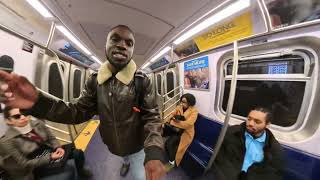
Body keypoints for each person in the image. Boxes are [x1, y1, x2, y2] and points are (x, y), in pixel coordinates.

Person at [0, 24, 165, 180]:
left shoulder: (141, 81)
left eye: (129, 43)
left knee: (139, 176)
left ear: (132, 50)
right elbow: (76, 112)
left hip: (138, 145)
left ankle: (130, 161)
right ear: (105, 45)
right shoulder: (95, 82)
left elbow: (152, 117)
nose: (123, 45)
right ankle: (125, 162)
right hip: (113, 145)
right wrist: (37, 102)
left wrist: (154, 151)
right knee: (124, 156)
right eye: (115, 39)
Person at [198, 107, 284, 180]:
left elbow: (272, 175)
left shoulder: (274, 149)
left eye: (257, 122)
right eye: (249, 119)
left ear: (267, 125)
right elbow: (219, 159)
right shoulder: (231, 132)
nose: (250, 124)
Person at [0, 107, 83, 180]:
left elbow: (51, 138)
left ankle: (81, 172)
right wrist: (50, 157)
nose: (23, 117)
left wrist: (57, 147)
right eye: (17, 116)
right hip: (33, 166)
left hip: (48, 151)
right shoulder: (7, 141)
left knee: (78, 153)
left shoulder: (38, 123)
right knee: (67, 171)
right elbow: (24, 164)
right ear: (9, 120)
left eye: (25, 113)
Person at [164, 93, 198, 166]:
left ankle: (172, 162)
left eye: (184, 102)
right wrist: (167, 121)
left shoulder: (194, 111)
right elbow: (172, 114)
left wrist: (172, 122)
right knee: (167, 143)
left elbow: (188, 124)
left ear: (190, 102)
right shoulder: (179, 107)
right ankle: (171, 159)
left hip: (186, 132)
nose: (182, 104)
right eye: (181, 101)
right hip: (177, 130)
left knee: (171, 144)